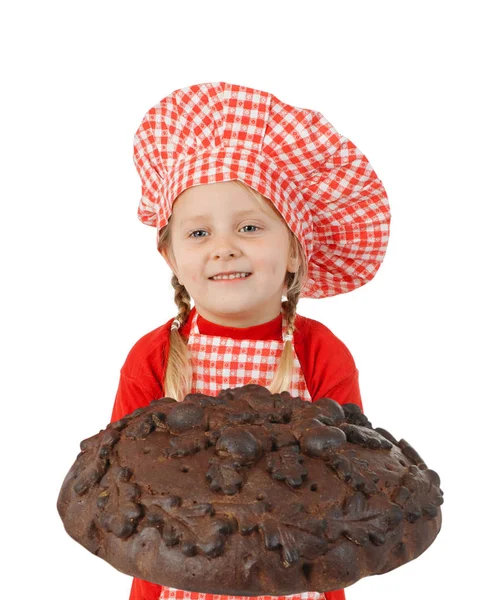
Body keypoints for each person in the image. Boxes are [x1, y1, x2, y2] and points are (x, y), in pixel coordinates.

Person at [110, 81, 391, 600]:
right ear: (171, 256)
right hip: (178, 575)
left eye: (250, 227)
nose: (224, 249)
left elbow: (346, 478)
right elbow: (128, 486)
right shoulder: (154, 355)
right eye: (199, 233)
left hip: (297, 572)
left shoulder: (318, 351)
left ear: (294, 252)